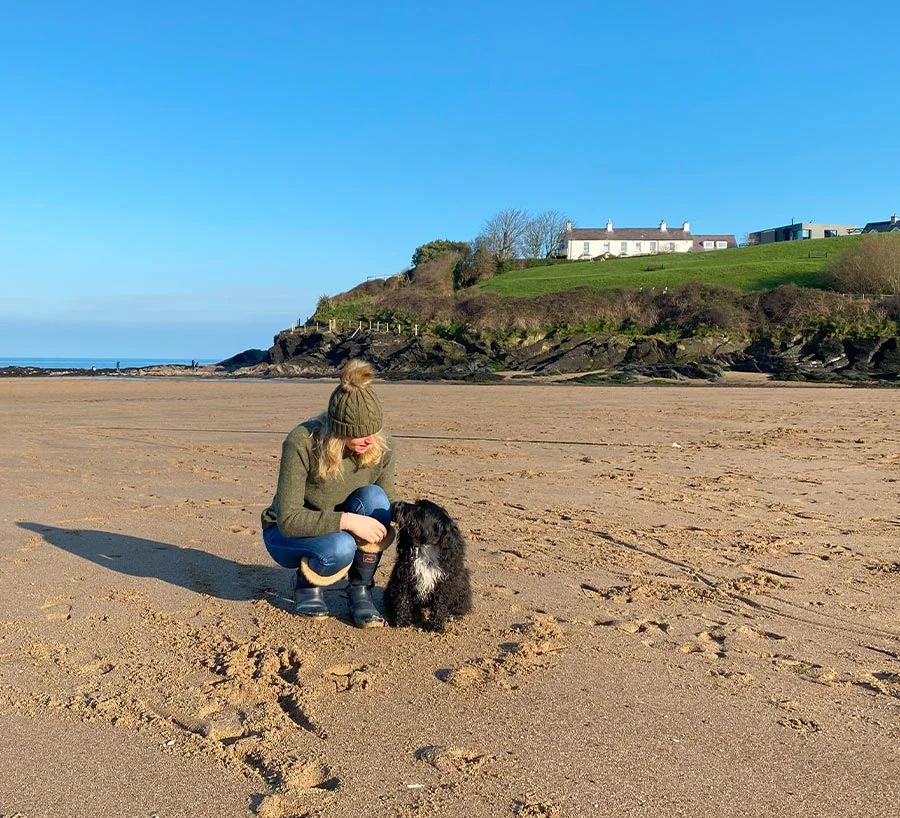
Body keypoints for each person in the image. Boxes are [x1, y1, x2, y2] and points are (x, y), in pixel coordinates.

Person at [261, 359, 398, 628]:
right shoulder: (301, 442)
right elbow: (288, 519)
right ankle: (306, 584)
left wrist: (417, 518)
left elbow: (388, 498)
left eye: (373, 430)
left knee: (376, 500)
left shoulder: (382, 445)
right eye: (360, 433)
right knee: (340, 546)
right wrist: (347, 521)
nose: (370, 439)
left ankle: (360, 590)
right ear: (339, 430)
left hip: (338, 525)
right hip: (285, 534)